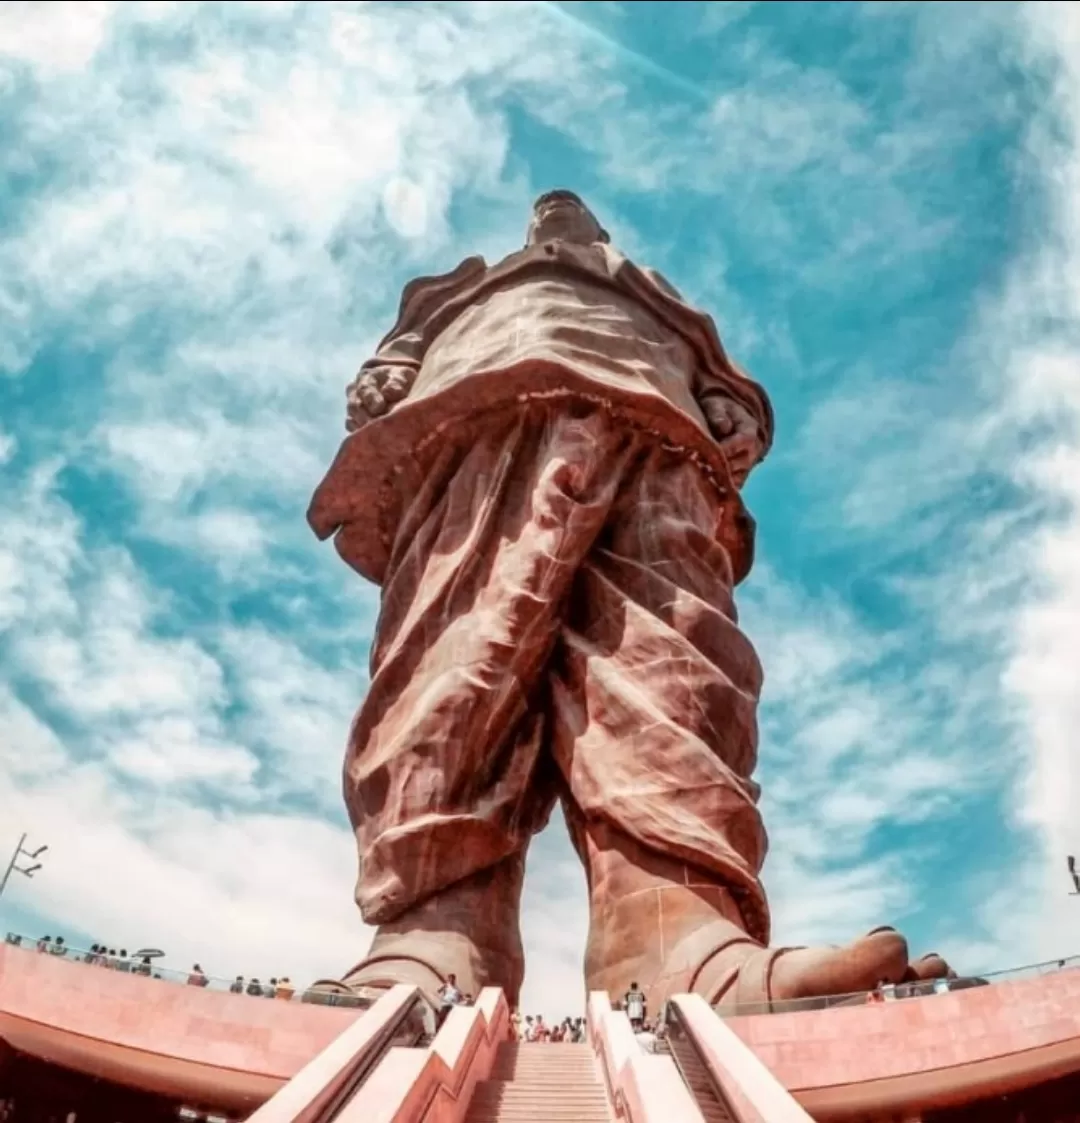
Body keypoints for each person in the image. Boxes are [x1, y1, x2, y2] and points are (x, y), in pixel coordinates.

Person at [307, 190, 952, 1016]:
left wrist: (729, 407)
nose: (562, 219)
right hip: (476, 411)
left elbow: (734, 394)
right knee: (459, 658)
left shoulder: (658, 299)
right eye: (550, 210)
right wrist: (389, 375)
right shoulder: (462, 292)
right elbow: (388, 371)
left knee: (665, 667)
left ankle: (680, 941)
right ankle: (436, 932)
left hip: (655, 422)